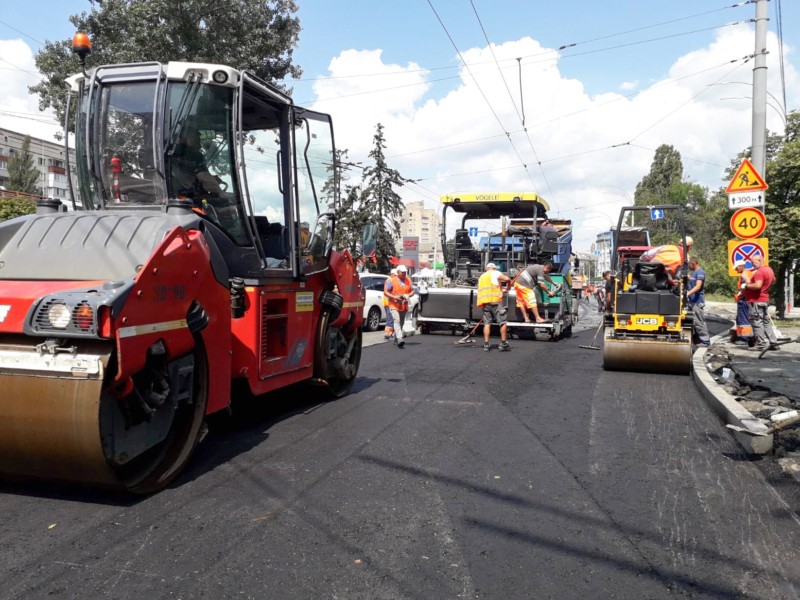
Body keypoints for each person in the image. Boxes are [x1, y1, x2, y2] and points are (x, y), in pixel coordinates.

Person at [741, 253, 779, 351]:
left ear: (759, 260)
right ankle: (774, 343)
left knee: (757, 322)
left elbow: (757, 286)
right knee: (766, 322)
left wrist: (746, 285)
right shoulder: (769, 270)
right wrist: (766, 286)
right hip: (764, 299)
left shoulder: (760, 272)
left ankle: (760, 345)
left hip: (756, 301)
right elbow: (773, 280)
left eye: (753, 262)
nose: (752, 264)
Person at [477, 263, 511, 351]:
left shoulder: (482, 277)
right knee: (502, 322)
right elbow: (507, 278)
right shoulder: (495, 273)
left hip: (485, 302)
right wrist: (509, 285)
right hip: (495, 301)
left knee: (487, 323)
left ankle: (486, 345)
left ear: (486, 268)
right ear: (494, 268)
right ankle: (503, 344)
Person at [384, 265, 414, 348]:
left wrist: (407, 295)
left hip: (403, 305)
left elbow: (412, 291)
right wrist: (394, 297)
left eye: (405, 272)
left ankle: (395, 337)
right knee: (396, 320)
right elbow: (386, 292)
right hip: (394, 305)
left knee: (401, 322)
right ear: (398, 272)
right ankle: (400, 338)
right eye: (402, 272)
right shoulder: (392, 281)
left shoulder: (408, 280)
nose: (404, 274)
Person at [686, 256, 710, 346]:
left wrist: (688, 294)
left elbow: (698, 286)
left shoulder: (700, 273)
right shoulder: (694, 273)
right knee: (693, 321)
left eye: (689, 265)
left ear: (693, 263)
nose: (689, 267)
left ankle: (705, 341)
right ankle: (697, 340)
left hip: (697, 301)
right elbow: (692, 282)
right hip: (692, 301)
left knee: (699, 321)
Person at [732, 259, 753, 344]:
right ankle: (750, 337)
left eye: (737, 268)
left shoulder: (744, 274)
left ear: (741, 266)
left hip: (744, 299)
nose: (736, 270)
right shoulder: (749, 273)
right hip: (747, 299)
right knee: (742, 318)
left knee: (742, 319)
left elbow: (747, 284)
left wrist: (741, 292)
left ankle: (744, 338)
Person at [383, 268, 397, 340]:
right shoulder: (390, 280)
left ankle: (390, 332)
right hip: (389, 302)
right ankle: (388, 334)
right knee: (390, 318)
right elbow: (388, 290)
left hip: (388, 302)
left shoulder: (390, 280)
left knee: (390, 317)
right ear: (393, 274)